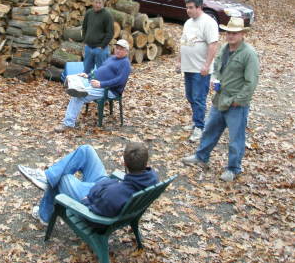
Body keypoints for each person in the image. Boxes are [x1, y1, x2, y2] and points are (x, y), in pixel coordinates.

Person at [181, 17, 259, 182]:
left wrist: (239, 100)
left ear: (243, 34)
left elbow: (251, 82)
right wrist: (214, 79)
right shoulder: (224, 49)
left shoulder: (249, 54)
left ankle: (233, 168)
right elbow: (216, 68)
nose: (230, 36)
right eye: (229, 32)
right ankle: (201, 157)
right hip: (220, 99)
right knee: (210, 129)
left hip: (236, 103)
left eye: (234, 33)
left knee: (235, 138)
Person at [18, 142, 159, 225]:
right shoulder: (152, 177)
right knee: (86, 150)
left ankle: (44, 214)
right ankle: (47, 177)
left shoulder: (114, 195)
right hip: (106, 188)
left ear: (124, 163)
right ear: (145, 163)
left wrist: (86, 201)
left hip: (93, 198)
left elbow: (95, 212)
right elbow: (114, 192)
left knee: (63, 177)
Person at [56, 39, 131, 132]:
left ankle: (68, 124)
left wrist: (101, 84)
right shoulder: (112, 58)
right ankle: (72, 87)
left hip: (109, 89)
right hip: (95, 82)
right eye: (117, 48)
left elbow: (120, 80)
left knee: (78, 95)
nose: (118, 50)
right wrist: (88, 75)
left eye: (121, 49)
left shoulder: (125, 63)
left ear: (126, 51)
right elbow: (100, 70)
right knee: (72, 77)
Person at [176, 0, 219, 142]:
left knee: (199, 98)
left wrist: (207, 65)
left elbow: (213, 45)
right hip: (188, 67)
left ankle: (200, 127)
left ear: (199, 7)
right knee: (190, 96)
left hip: (200, 69)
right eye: (187, 7)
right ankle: (196, 122)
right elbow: (184, 43)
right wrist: (179, 61)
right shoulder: (188, 23)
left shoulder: (208, 23)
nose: (188, 10)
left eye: (191, 7)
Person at [82, 0, 114, 74]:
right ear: (92, 2)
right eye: (96, 2)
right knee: (86, 72)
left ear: (103, 3)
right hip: (88, 47)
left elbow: (110, 33)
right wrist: (85, 41)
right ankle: (86, 86)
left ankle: (103, 86)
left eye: (100, 3)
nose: (98, 5)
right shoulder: (89, 13)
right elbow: (84, 28)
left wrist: (101, 46)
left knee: (102, 72)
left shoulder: (107, 15)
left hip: (100, 49)